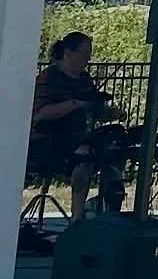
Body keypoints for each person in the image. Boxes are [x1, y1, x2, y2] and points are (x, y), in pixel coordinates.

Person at [28, 31, 104, 222]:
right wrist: (74, 104)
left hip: (78, 138)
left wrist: (107, 110)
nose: (88, 59)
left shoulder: (84, 79)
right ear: (69, 53)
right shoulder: (48, 78)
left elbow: (93, 105)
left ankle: (107, 209)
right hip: (47, 140)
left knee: (111, 147)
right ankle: (77, 220)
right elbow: (40, 114)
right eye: (84, 54)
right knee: (84, 157)